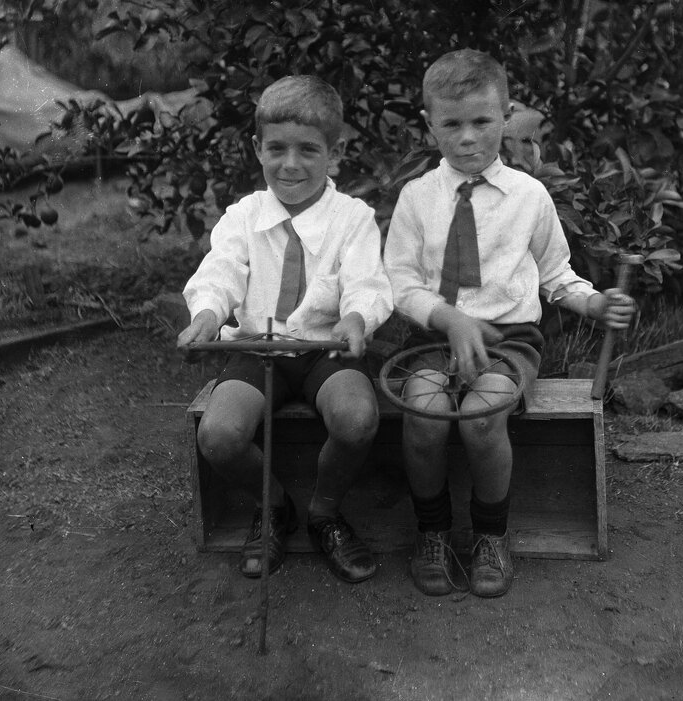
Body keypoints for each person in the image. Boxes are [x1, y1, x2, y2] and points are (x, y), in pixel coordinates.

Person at [383, 49, 635, 598]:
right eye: (451, 124)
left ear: (507, 115)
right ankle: (432, 533)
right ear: (429, 124)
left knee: (481, 415)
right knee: (423, 417)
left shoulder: (529, 197)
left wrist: (594, 305)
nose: (468, 138)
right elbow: (400, 285)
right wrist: (448, 319)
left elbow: (556, 275)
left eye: (482, 121)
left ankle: (491, 535)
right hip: (431, 337)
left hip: (509, 340)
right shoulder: (417, 198)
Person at [177, 75, 393, 584]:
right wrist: (206, 316)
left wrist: (356, 317)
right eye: (276, 149)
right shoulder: (244, 216)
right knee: (219, 434)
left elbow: (367, 282)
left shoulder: (353, 218)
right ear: (257, 149)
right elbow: (220, 273)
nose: (290, 164)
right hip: (259, 349)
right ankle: (274, 507)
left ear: (334, 153)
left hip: (326, 350)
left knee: (357, 418)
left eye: (308, 150)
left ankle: (323, 512)